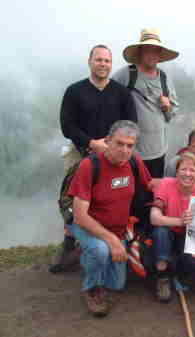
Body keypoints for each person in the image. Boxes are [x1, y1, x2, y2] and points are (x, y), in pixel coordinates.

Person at [52, 45, 137, 273]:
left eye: (107, 61)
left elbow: (131, 123)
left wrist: (111, 147)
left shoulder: (121, 93)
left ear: (111, 64)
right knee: (71, 198)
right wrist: (91, 144)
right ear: (89, 61)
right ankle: (69, 242)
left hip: (113, 153)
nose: (103, 64)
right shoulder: (74, 91)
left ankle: (104, 238)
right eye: (98, 60)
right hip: (81, 150)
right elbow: (67, 125)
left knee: (109, 195)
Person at [67, 120, 152, 317]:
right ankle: (92, 288)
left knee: (117, 284)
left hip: (118, 228)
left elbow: (151, 185)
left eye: (130, 145)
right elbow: (80, 216)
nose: (124, 150)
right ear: (108, 140)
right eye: (119, 143)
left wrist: (184, 187)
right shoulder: (90, 166)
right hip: (88, 225)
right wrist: (112, 240)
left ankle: (91, 258)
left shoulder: (134, 162)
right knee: (100, 250)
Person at [113, 28, 179, 178]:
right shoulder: (127, 74)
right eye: (147, 50)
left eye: (155, 51)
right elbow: (108, 97)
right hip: (130, 152)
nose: (152, 55)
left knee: (152, 193)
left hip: (158, 151)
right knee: (130, 194)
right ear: (140, 52)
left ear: (160, 54)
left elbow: (171, 113)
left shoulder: (164, 78)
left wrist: (167, 107)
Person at [150, 152, 195, 302]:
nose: (187, 174)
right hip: (169, 232)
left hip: (187, 236)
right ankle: (162, 276)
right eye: (183, 169)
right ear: (176, 171)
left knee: (194, 259)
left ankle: (179, 274)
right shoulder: (166, 184)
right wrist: (180, 221)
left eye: (192, 170)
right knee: (160, 231)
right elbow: (154, 217)